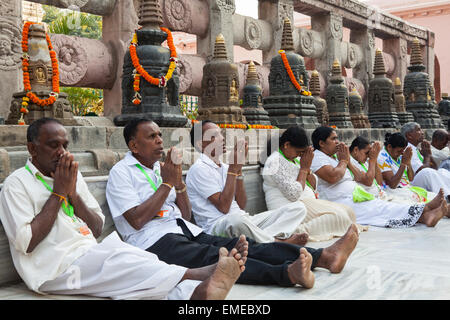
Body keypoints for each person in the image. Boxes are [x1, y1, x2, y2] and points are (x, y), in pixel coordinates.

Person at [0, 118, 247, 300]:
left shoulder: (70, 177)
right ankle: (198, 275)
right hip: (55, 268)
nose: (62, 152)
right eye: (53, 145)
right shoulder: (16, 184)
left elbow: (96, 227)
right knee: (125, 264)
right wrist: (58, 194)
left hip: (88, 250)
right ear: (32, 148)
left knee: (139, 265)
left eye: (65, 145)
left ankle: (196, 294)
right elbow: (26, 243)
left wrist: (72, 193)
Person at [106, 118, 360, 289]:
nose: (160, 140)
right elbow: (136, 220)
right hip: (154, 241)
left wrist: (177, 183)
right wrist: (167, 184)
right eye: (152, 137)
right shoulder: (122, 172)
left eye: (160, 135)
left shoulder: (159, 170)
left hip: (186, 230)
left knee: (246, 246)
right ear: (134, 145)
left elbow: (186, 213)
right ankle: (286, 273)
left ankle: (324, 257)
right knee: (222, 257)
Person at [187, 120, 308, 245]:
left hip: (245, 220)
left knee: (298, 208)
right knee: (236, 221)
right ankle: (275, 241)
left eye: (221, 134)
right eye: (214, 136)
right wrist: (233, 169)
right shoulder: (199, 168)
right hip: (219, 225)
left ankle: (260, 238)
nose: (222, 138)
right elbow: (224, 207)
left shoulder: (224, 167)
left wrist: (238, 171)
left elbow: (241, 205)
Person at [310, 126, 447, 228]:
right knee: (382, 209)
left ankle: (426, 215)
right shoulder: (317, 157)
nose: (338, 142)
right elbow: (333, 177)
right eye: (333, 139)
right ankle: (425, 210)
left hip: (355, 195)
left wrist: (347, 161)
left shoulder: (335, 157)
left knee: (383, 208)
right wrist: (346, 161)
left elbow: (361, 177)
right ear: (322, 143)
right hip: (338, 200)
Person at [260, 126, 367, 242]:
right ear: (286, 145)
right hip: (291, 209)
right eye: (298, 152)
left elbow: (313, 185)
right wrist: (304, 169)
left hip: (307, 204)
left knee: (349, 212)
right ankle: (296, 232)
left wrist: (307, 168)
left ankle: (296, 230)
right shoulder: (274, 162)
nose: (299, 155)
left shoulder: (293, 159)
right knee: (340, 218)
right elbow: (293, 194)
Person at [401, 122, 450, 200]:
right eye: (418, 130)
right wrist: (427, 156)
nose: (422, 132)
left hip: (421, 179)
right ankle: (445, 198)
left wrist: (429, 155)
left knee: (442, 171)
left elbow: (434, 169)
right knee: (427, 172)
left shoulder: (415, 148)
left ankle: (448, 193)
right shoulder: (408, 149)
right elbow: (421, 171)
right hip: (410, 183)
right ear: (409, 135)